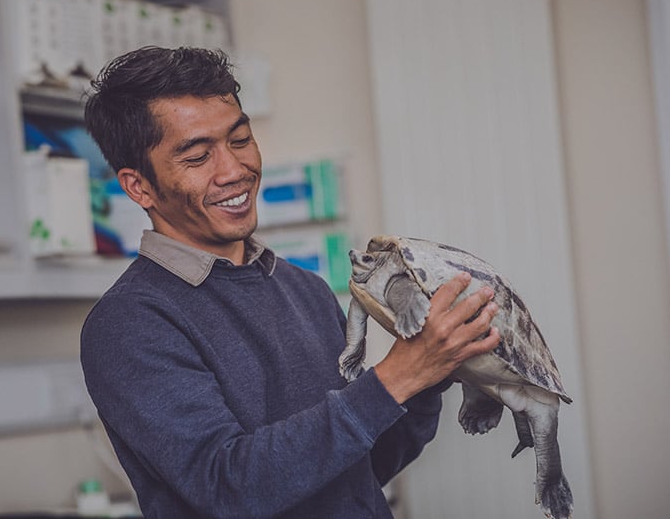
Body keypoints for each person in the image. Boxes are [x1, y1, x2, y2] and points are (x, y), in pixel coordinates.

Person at [80, 46, 501, 519]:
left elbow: (361, 469)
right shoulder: (129, 323)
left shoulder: (304, 288)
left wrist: (428, 374)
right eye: (198, 156)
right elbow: (230, 488)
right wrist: (397, 375)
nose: (234, 170)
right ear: (139, 187)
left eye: (240, 140)